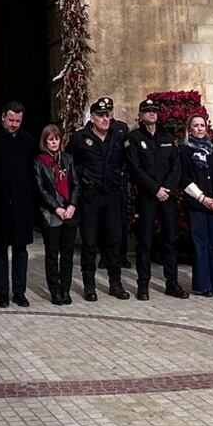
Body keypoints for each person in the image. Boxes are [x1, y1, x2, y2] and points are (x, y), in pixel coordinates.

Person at [71, 95, 130, 300]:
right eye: (101, 115)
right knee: (89, 243)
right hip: (90, 197)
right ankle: (89, 285)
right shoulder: (79, 138)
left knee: (113, 240)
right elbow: (72, 166)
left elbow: (125, 162)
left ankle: (115, 284)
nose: (106, 119)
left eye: (108, 115)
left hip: (112, 195)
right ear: (93, 117)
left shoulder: (118, 135)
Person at [128, 98, 186, 300]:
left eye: (154, 110)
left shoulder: (167, 136)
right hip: (147, 197)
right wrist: (155, 190)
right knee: (145, 241)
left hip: (167, 197)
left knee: (170, 239)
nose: (152, 113)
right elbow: (135, 169)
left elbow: (176, 166)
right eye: (147, 110)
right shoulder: (134, 139)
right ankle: (142, 285)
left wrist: (167, 189)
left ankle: (172, 283)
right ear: (141, 115)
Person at [0, 101, 38, 307]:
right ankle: (2, 292)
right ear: (3, 117)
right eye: (11, 120)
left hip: (21, 204)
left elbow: (33, 172)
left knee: (20, 250)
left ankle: (19, 291)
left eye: (17, 121)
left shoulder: (28, 141)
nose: (14, 124)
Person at [182, 114, 213, 296]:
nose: (200, 128)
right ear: (190, 129)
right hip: (198, 205)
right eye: (196, 125)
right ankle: (203, 285)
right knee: (200, 244)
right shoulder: (185, 151)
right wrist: (202, 198)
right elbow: (185, 178)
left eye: (202, 125)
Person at [34, 124, 81, 305]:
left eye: (56, 139)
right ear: (45, 142)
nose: (54, 142)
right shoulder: (39, 161)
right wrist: (56, 208)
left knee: (67, 255)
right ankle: (55, 291)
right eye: (50, 139)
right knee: (52, 255)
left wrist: (72, 206)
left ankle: (65, 290)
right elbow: (41, 190)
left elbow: (76, 184)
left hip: (69, 213)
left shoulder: (68, 159)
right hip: (52, 214)